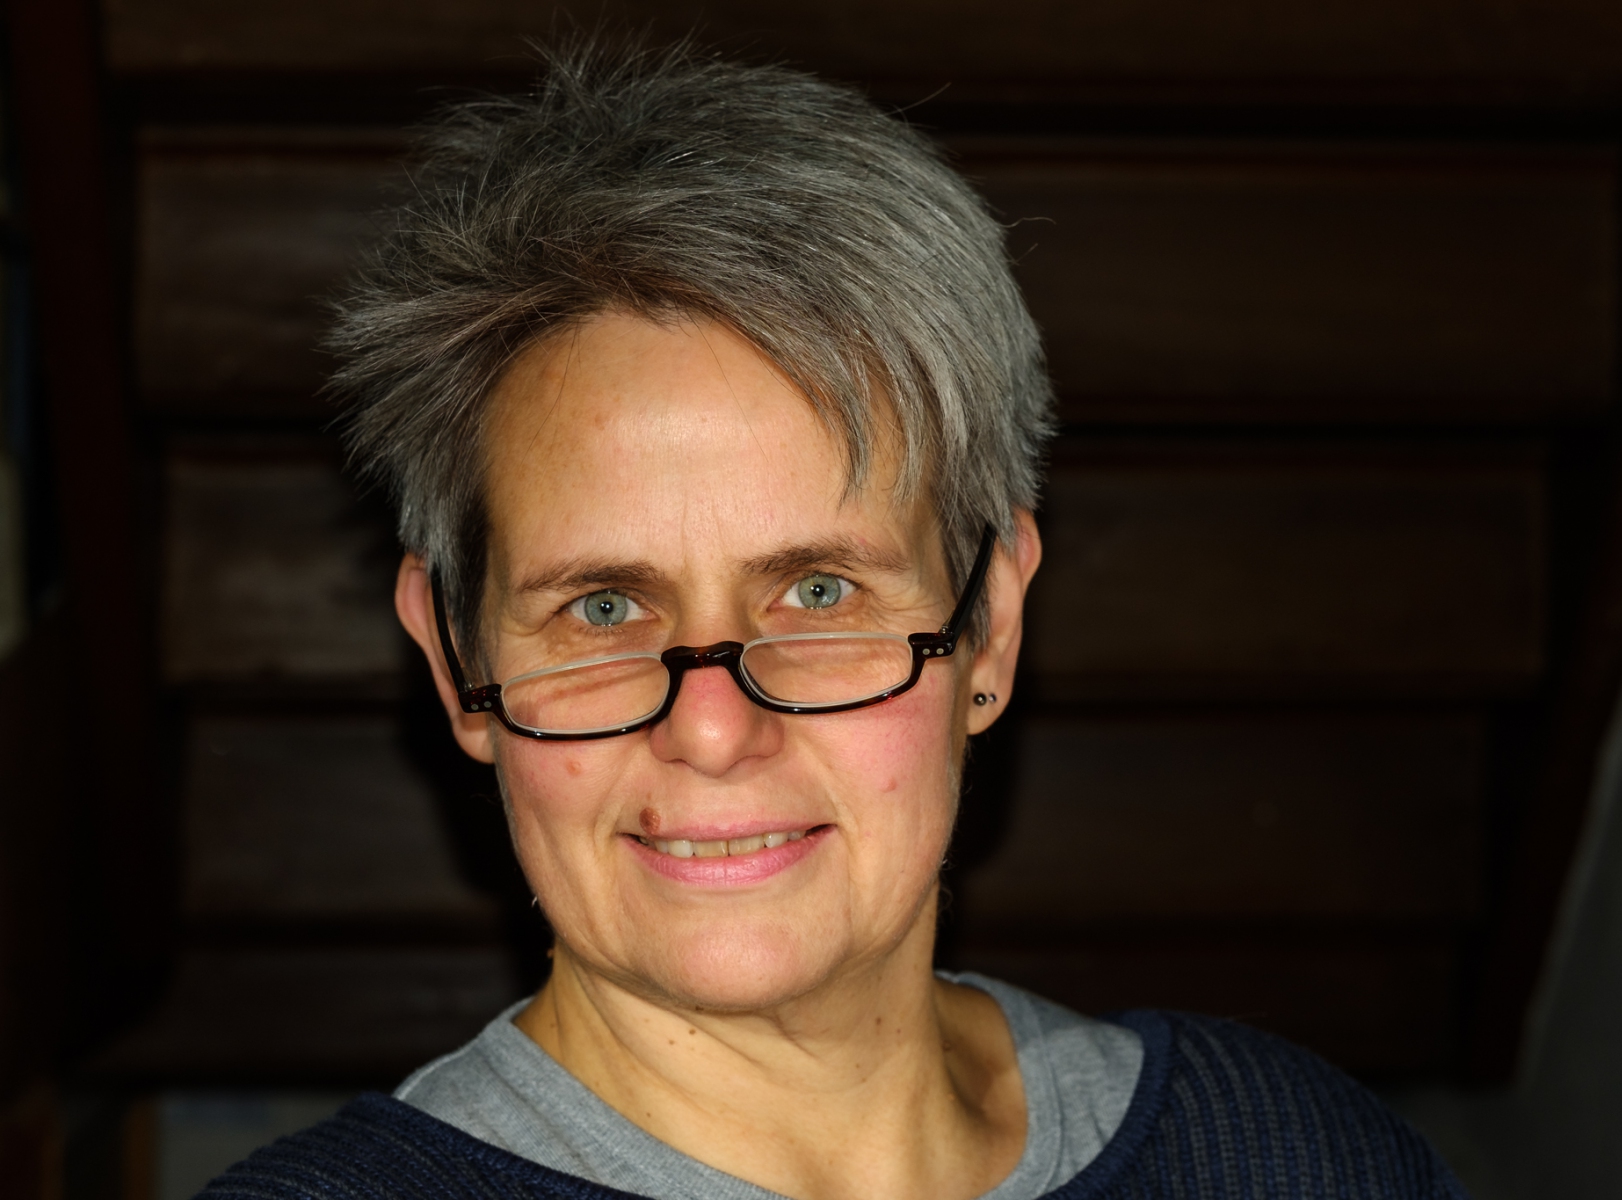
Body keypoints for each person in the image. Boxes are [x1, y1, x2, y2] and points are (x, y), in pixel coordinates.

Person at [198, 43, 1466, 1200]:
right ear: (455, 659)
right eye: (603, 607)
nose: (711, 729)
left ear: (991, 625)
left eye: (818, 592)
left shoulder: (1300, 1161)